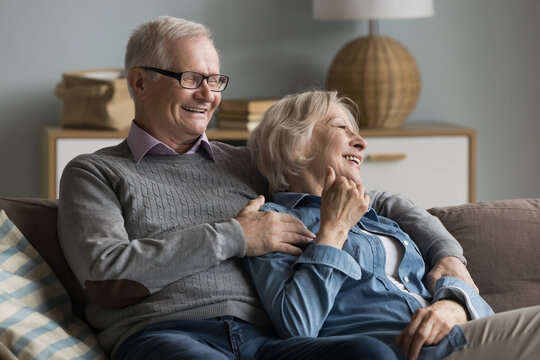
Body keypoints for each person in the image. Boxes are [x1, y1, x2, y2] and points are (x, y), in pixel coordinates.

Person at [58, 16, 478, 360]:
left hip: (267, 341)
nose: (209, 95)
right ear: (140, 83)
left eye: (216, 80)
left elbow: (375, 201)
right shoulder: (96, 173)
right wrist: (236, 236)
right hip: (166, 335)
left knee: (369, 354)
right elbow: (104, 278)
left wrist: (448, 255)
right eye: (190, 78)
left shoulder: (243, 162)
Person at [244, 90, 540, 360]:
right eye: (341, 128)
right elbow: (298, 327)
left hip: (461, 339)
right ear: (297, 143)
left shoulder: (379, 219)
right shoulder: (273, 222)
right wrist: (333, 229)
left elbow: (474, 300)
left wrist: (456, 306)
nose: (361, 142)